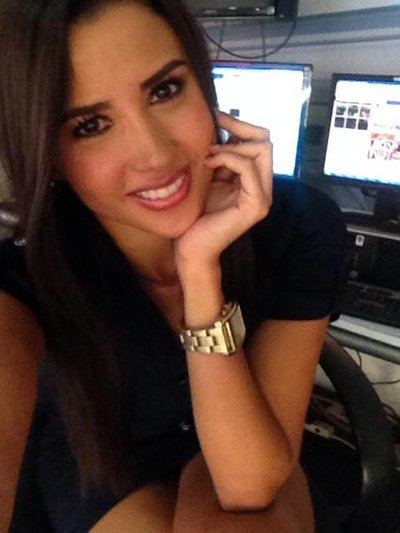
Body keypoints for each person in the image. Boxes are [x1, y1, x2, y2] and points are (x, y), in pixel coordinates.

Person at [0, 0, 346, 531]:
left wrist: (199, 272)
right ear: (51, 157)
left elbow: (249, 482)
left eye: (165, 90)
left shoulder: (299, 223)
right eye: (91, 125)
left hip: (253, 447)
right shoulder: (25, 277)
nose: (156, 155)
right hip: (106, 468)